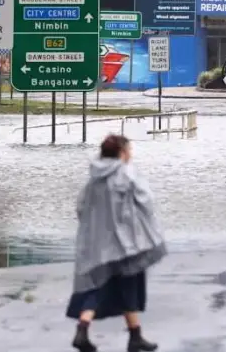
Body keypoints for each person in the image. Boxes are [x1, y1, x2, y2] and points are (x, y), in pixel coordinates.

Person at [66, 134, 168, 352]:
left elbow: (81, 207)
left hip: (98, 243)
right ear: (122, 152)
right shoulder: (127, 174)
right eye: (129, 150)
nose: (130, 154)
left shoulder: (94, 178)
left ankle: (90, 330)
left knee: (98, 285)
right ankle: (131, 336)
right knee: (128, 285)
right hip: (126, 243)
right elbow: (146, 202)